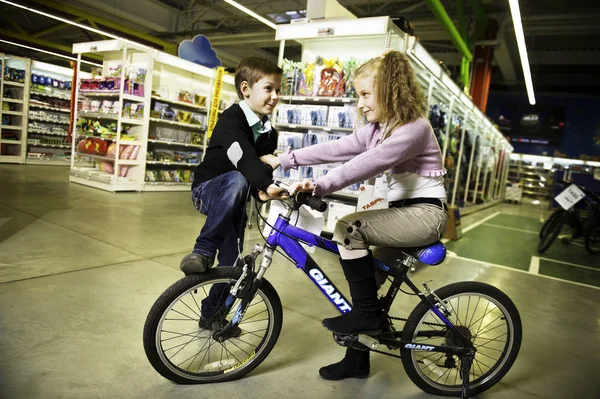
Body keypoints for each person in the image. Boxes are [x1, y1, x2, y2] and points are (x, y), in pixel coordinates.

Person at [263, 50, 449, 380]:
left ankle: (367, 319)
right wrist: (285, 159)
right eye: (358, 95)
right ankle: (357, 361)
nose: (360, 104)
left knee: (348, 228)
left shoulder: (413, 128)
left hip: (425, 215)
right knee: (366, 289)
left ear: (391, 88)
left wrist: (320, 185)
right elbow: (338, 149)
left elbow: (368, 163)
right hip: (401, 215)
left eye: (365, 94)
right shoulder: (378, 128)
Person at [180, 57, 287, 331]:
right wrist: (263, 184)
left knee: (234, 266)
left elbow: (260, 168)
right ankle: (202, 251)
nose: (275, 97)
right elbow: (244, 159)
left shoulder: (268, 132)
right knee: (239, 176)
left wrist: (260, 193)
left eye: (278, 90)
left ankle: (212, 314)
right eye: (268, 89)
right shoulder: (232, 119)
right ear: (246, 88)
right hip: (209, 190)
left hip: (236, 203)